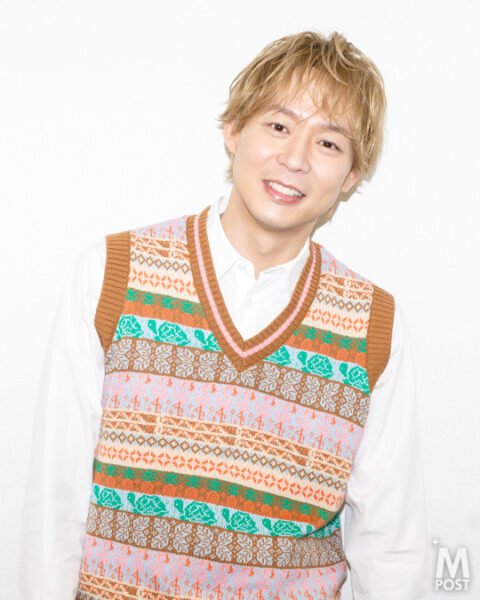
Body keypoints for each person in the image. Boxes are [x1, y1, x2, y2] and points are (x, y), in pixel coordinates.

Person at [20, 30, 428, 599]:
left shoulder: (372, 326)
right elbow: (54, 503)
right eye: (279, 126)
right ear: (233, 130)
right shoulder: (112, 275)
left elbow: (390, 547)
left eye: (329, 143)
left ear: (351, 176)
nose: (295, 158)